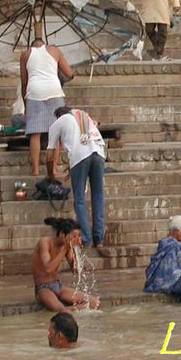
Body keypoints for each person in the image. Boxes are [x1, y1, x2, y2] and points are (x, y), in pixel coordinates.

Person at [46, 106, 110, 258]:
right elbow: (83, 143)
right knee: (98, 197)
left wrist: (50, 175)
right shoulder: (83, 115)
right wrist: (71, 167)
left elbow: (49, 155)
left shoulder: (58, 122)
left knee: (79, 200)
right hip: (99, 154)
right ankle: (99, 240)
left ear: (58, 116)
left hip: (80, 157)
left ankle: (86, 239)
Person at [21, 38, 73, 176]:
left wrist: (25, 104)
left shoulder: (25, 54)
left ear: (33, 46)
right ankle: (54, 168)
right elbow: (69, 73)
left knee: (35, 133)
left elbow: (24, 82)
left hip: (34, 92)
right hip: (54, 91)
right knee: (54, 132)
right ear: (44, 44)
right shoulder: (54, 50)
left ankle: (36, 169)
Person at [32, 217, 99, 312]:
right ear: (62, 234)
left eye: (77, 236)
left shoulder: (67, 246)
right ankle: (70, 309)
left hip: (58, 286)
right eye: (73, 236)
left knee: (94, 302)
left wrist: (76, 250)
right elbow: (48, 269)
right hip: (43, 288)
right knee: (61, 310)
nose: (75, 239)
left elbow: (76, 271)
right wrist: (64, 249)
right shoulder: (45, 243)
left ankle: (72, 309)